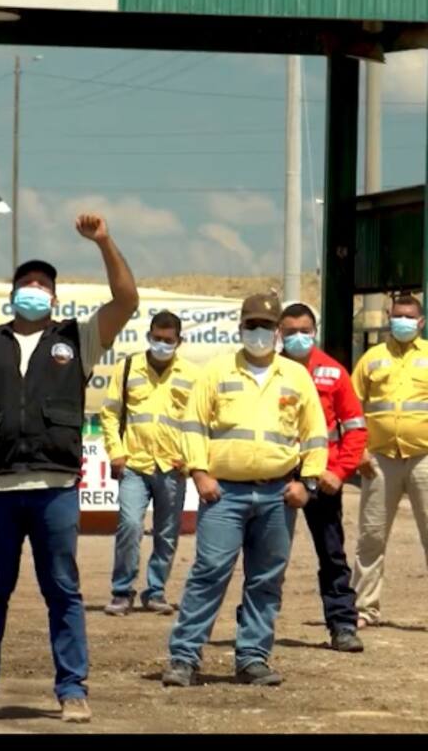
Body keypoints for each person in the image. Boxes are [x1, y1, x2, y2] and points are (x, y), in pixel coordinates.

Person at [0, 213, 139, 726]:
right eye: (26, 282)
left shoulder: (77, 339)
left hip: (54, 489)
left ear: (54, 298)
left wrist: (104, 241)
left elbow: (126, 301)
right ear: (12, 294)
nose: (34, 289)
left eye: (43, 284)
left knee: (62, 590)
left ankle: (72, 691)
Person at [162, 293, 328, 689]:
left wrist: (307, 483)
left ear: (277, 332)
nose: (259, 333)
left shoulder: (296, 376)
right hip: (224, 494)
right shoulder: (217, 371)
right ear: (240, 328)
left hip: (278, 495)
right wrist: (199, 474)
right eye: (251, 325)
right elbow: (193, 425)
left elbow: (315, 434)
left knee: (266, 579)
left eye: (266, 326)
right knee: (209, 572)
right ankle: (184, 657)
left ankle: (253, 657)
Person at [278, 302, 366, 653]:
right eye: (290, 332)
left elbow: (355, 428)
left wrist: (340, 471)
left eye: (304, 331)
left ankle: (343, 624)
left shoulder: (333, 372)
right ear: (279, 334)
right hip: (277, 476)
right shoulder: (269, 371)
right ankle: (255, 628)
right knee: (267, 556)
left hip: (323, 477)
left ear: (315, 331)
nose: (298, 337)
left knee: (331, 554)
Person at [100, 310, 197, 617]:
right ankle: (121, 591)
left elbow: (199, 422)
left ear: (179, 341)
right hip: (134, 464)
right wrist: (115, 452)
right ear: (148, 336)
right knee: (130, 525)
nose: (162, 344)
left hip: (172, 466)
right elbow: (110, 413)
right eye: (157, 338)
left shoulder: (192, 375)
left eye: (168, 340)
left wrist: (190, 459)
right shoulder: (128, 367)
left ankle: (155, 591)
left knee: (167, 533)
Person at [349, 294, 428, 630]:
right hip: (379, 459)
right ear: (388, 317)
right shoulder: (371, 359)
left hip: (424, 457)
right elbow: (352, 408)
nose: (403, 322)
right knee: (372, 536)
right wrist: (358, 451)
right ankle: (363, 608)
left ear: (421, 322)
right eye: (398, 316)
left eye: (409, 317)